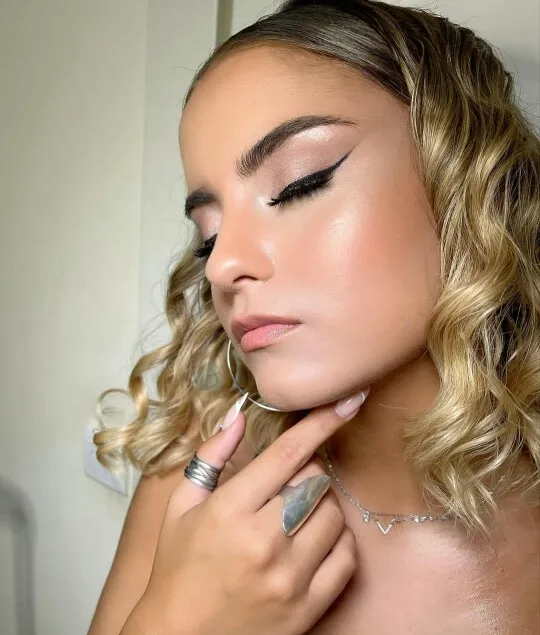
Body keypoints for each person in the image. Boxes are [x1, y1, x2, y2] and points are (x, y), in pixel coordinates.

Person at [87, 1, 540, 633]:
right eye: (208, 235)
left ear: (464, 181)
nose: (223, 264)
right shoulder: (199, 485)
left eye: (300, 183)